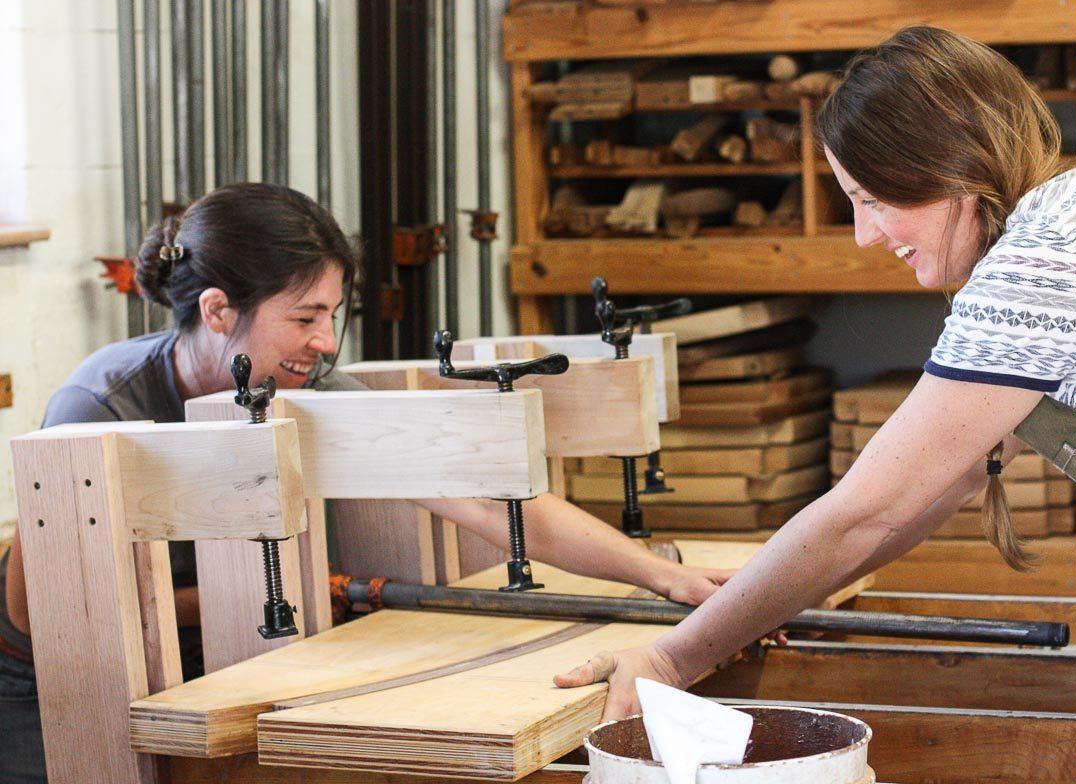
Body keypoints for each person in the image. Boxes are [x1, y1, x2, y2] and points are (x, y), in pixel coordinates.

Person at [554, 25, 1076, 719]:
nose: (866, 236)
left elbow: (865, 514)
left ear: (949, 164)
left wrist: (669, 657)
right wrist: (761, 600)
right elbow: (937, 486)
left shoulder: (1037, 272)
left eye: (871, 200)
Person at [0, 182, 731, 783]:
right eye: (304, 317)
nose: (325, 342)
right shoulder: (98, 407)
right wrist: (272, 595)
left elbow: (492, 502)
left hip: (202, 659)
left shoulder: (311, 386)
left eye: (333, 315)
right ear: (218, 310)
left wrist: (664, 579)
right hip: (53, 688)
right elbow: (46, 618)